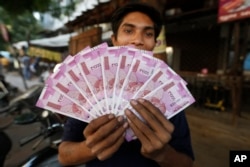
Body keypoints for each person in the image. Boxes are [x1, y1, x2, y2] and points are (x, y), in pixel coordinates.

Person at [58, 2, 194, 167]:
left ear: (154, 44)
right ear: (114, 40)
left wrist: (162, 154)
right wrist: (90, 147)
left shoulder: (167, 94)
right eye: (128, 31)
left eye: (148, 34)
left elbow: (186, 163)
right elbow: (64, 156)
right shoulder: (89, 88)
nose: (138, 40)